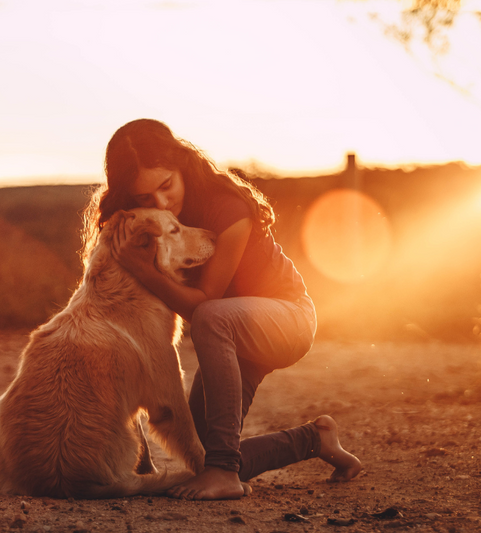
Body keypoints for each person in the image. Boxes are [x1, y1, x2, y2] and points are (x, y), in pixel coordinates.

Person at [82, 118, 361, 500]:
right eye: (145, 198)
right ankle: (315, 439)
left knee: (213, 317)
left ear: (182, 164)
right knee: (201, 453)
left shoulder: (227, 208)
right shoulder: (141, 222)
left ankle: (224, 475)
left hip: (286, 318)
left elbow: (204, 305)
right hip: (231, 331)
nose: (162, 203)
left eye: (166, 186)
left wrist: (142, 270)